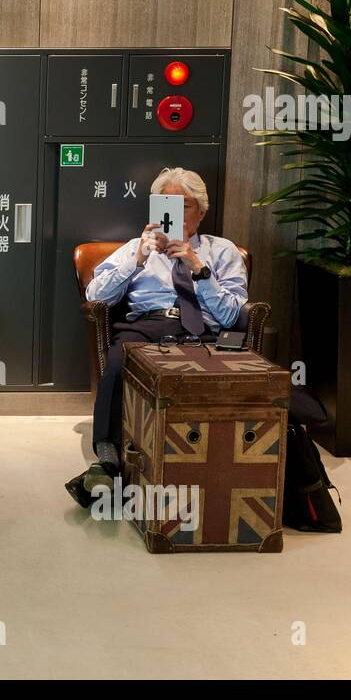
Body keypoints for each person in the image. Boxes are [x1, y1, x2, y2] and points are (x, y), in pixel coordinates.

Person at [66, 167, 248, 508]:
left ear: (202, 213)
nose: (176, 215)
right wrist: (137, 261)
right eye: (168, 205)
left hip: (204, 331)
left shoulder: (221, 251)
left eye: (185, 206)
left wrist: (199, 269)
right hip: (147, 327)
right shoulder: (136, 247)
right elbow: (95, 294)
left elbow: (230, 315)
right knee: (119, 365)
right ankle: (108, 461)